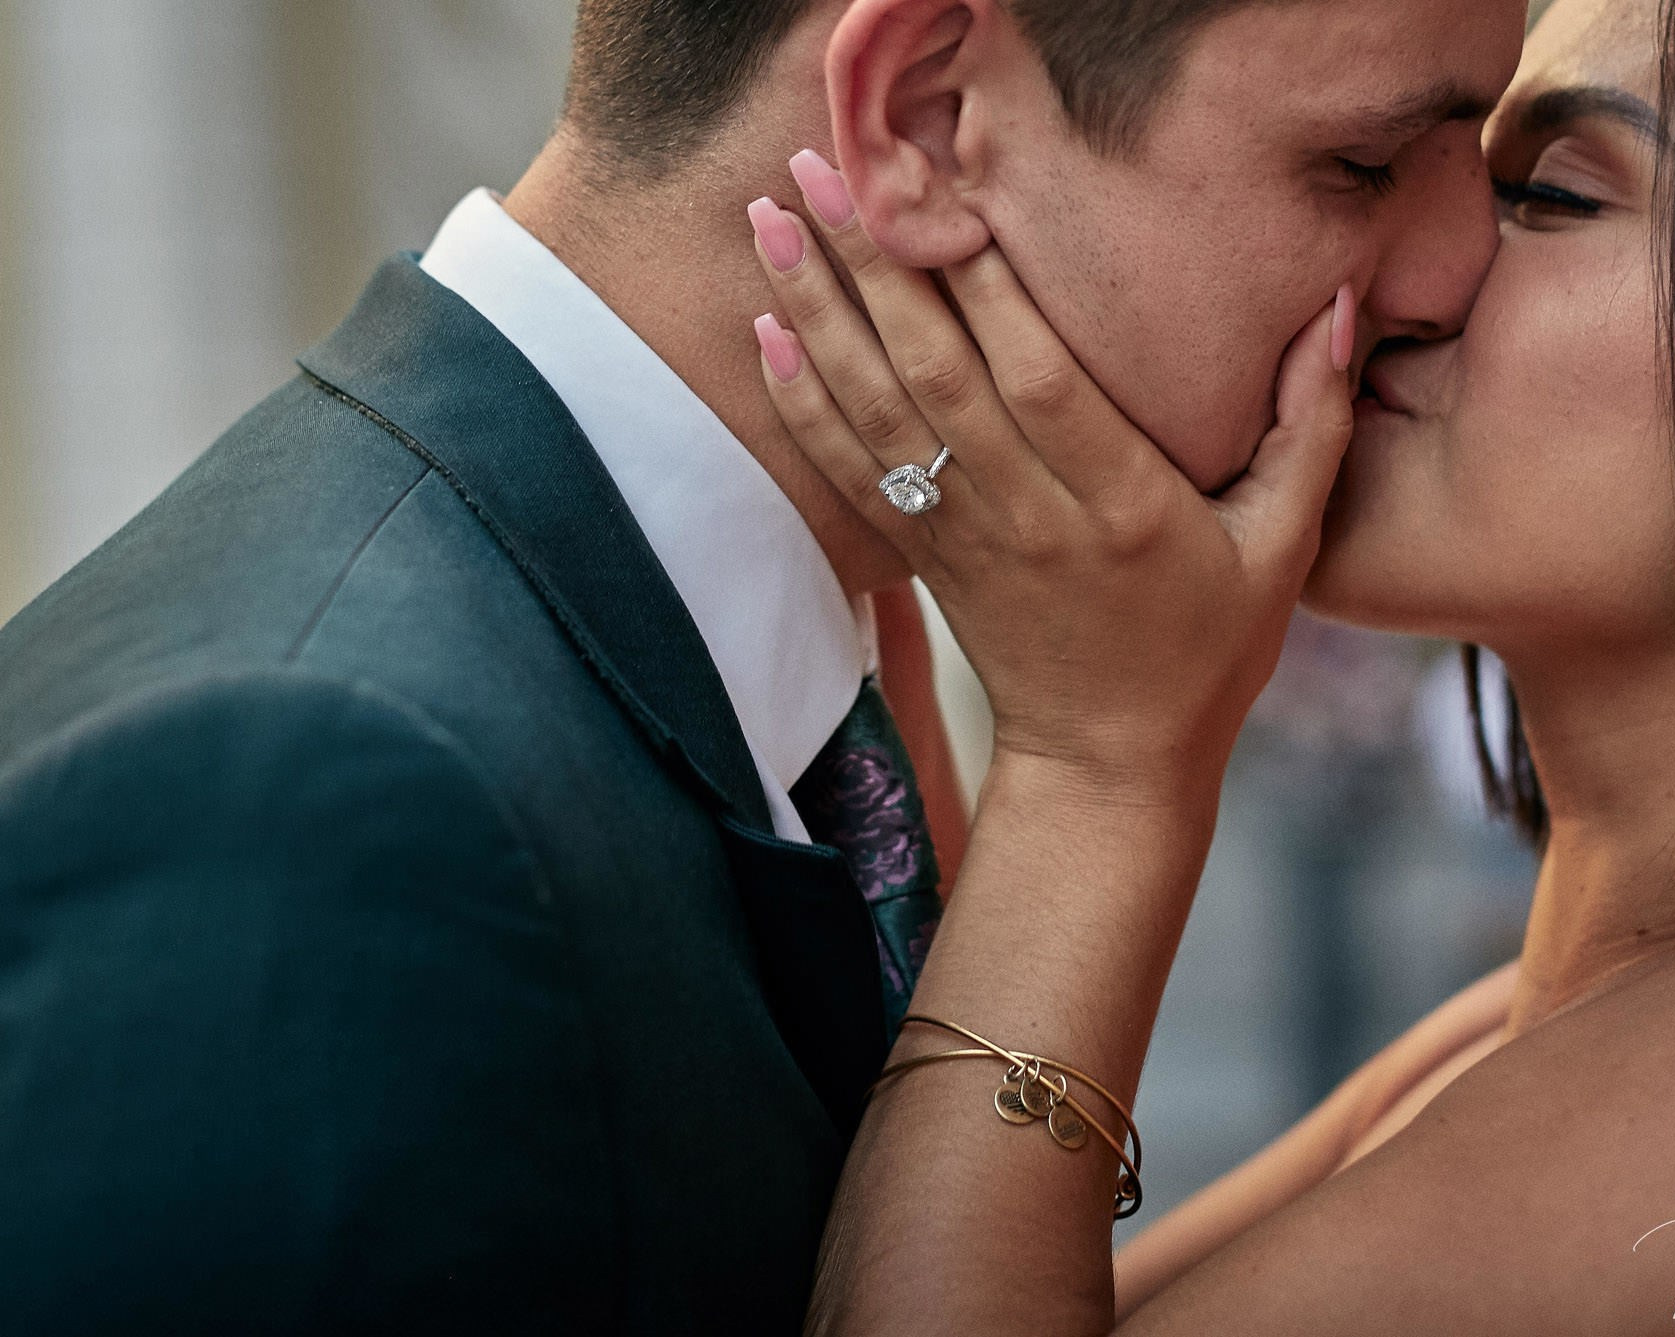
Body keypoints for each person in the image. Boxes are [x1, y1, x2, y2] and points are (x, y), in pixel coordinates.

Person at [0, 0, 1522, 1333]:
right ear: (924, 115)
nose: (1461, 271)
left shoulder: (781, 680)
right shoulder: (306, 814)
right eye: (1365, 166)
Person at [747, 0, 1675, 1330]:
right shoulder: (1491, 1031)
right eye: (1382, 164)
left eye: (1550, 196)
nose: (1425, 265)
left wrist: (1100, 769)